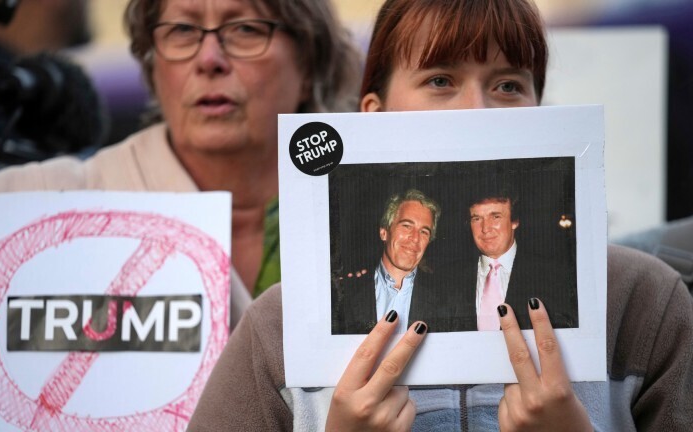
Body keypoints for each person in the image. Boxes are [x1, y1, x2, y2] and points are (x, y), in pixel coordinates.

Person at [187, 0, 693, 430]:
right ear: (373, 114)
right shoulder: (280, 326)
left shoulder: (642, 302)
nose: (476, 109)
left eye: (509, 86)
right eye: (441, 79)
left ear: (542, 108)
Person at [0, 0, 360, 430]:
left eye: (246, 29)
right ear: (152, 64)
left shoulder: (368, 221)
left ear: (310, 60)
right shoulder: (35, 210)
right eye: (182, 31)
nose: (209, 59)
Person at [434, 189, 578, 332]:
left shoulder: (552, 275)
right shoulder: (447, 278)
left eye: (495, 217)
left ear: (514, 221)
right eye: (477, 219)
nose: (485, 229)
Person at [332, 189, 441, 334]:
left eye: (424, 232)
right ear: (384, 232)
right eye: (406, 226)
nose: (415, 238)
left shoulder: (445, 299)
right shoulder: (344, 293)